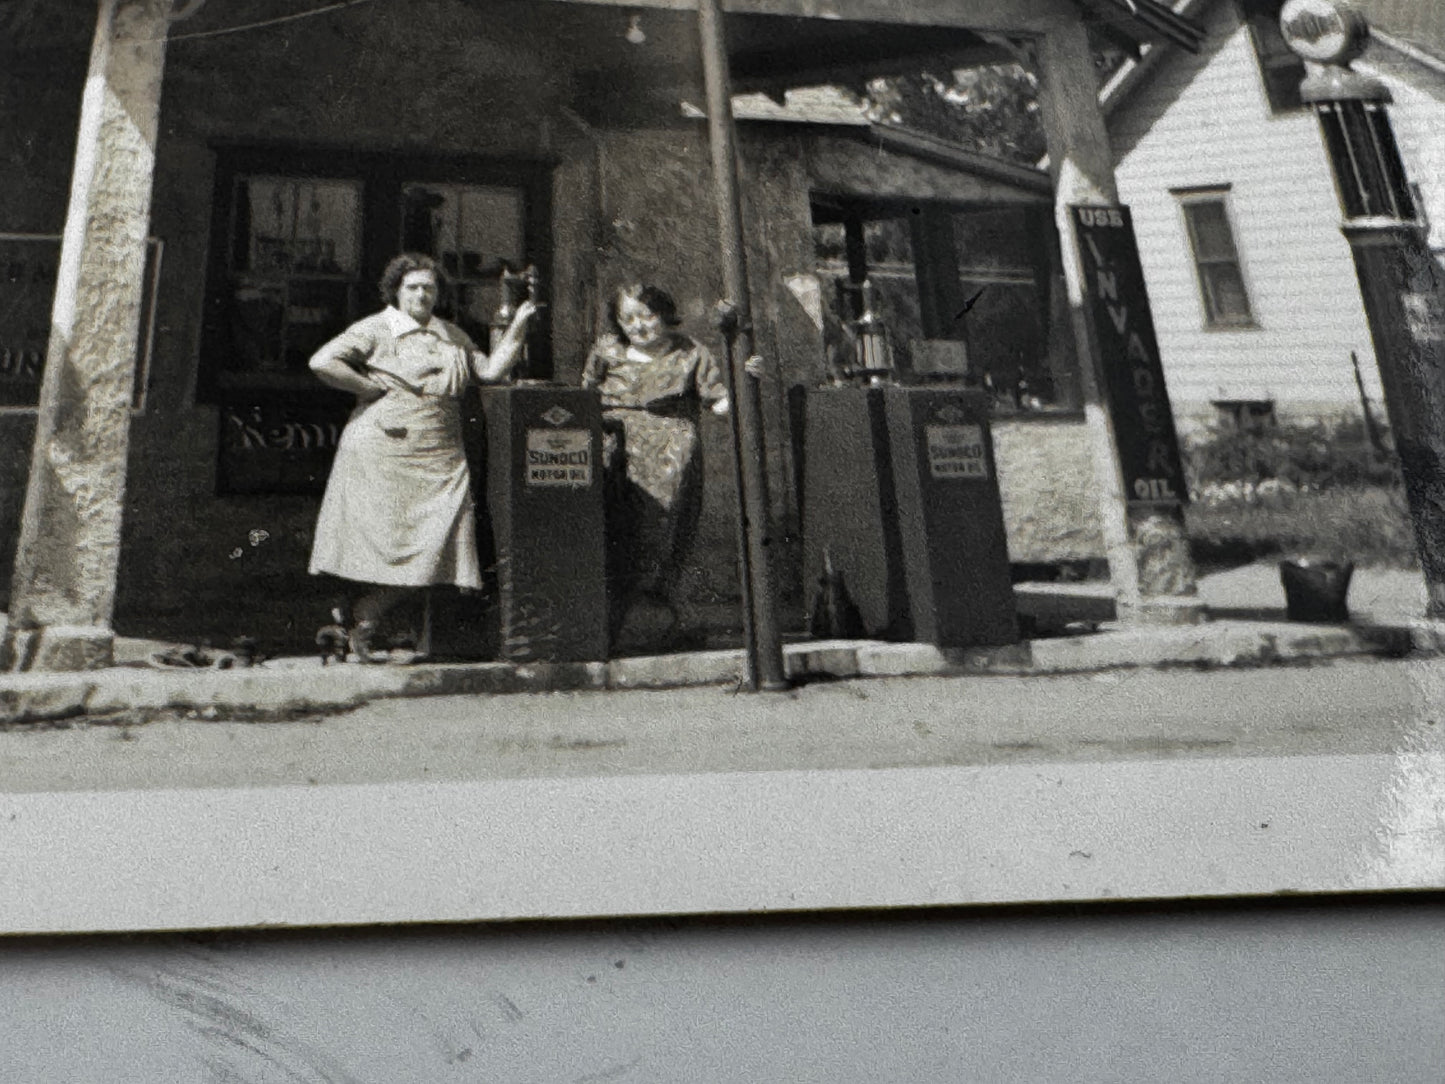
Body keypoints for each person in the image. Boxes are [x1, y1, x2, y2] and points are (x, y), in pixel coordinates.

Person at [308, 252, 538, 660]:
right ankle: (361, 621)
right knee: (383, 539)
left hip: (440, 454)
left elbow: (491, 372)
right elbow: (323, 361)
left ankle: (366, 612)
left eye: (429, 287)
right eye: (412, 287)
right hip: (383, 448)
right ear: (396, 291)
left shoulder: (452, 334)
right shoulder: (377, 328)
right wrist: (366, 388)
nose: (421, 294)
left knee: (439, 540)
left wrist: (518, 325)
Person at [582, 284, 738, 645]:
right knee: (614, 532)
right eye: (629, 318)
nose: (639, 326)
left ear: (664, 314)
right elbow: (586, 391)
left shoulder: (690, 353)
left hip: (670, 456)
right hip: (614, 450)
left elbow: (717, 400)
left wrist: (742, 382)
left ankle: (654, 622)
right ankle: (612, 623)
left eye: (647, 315)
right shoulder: (606, 350)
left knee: (660, 534)